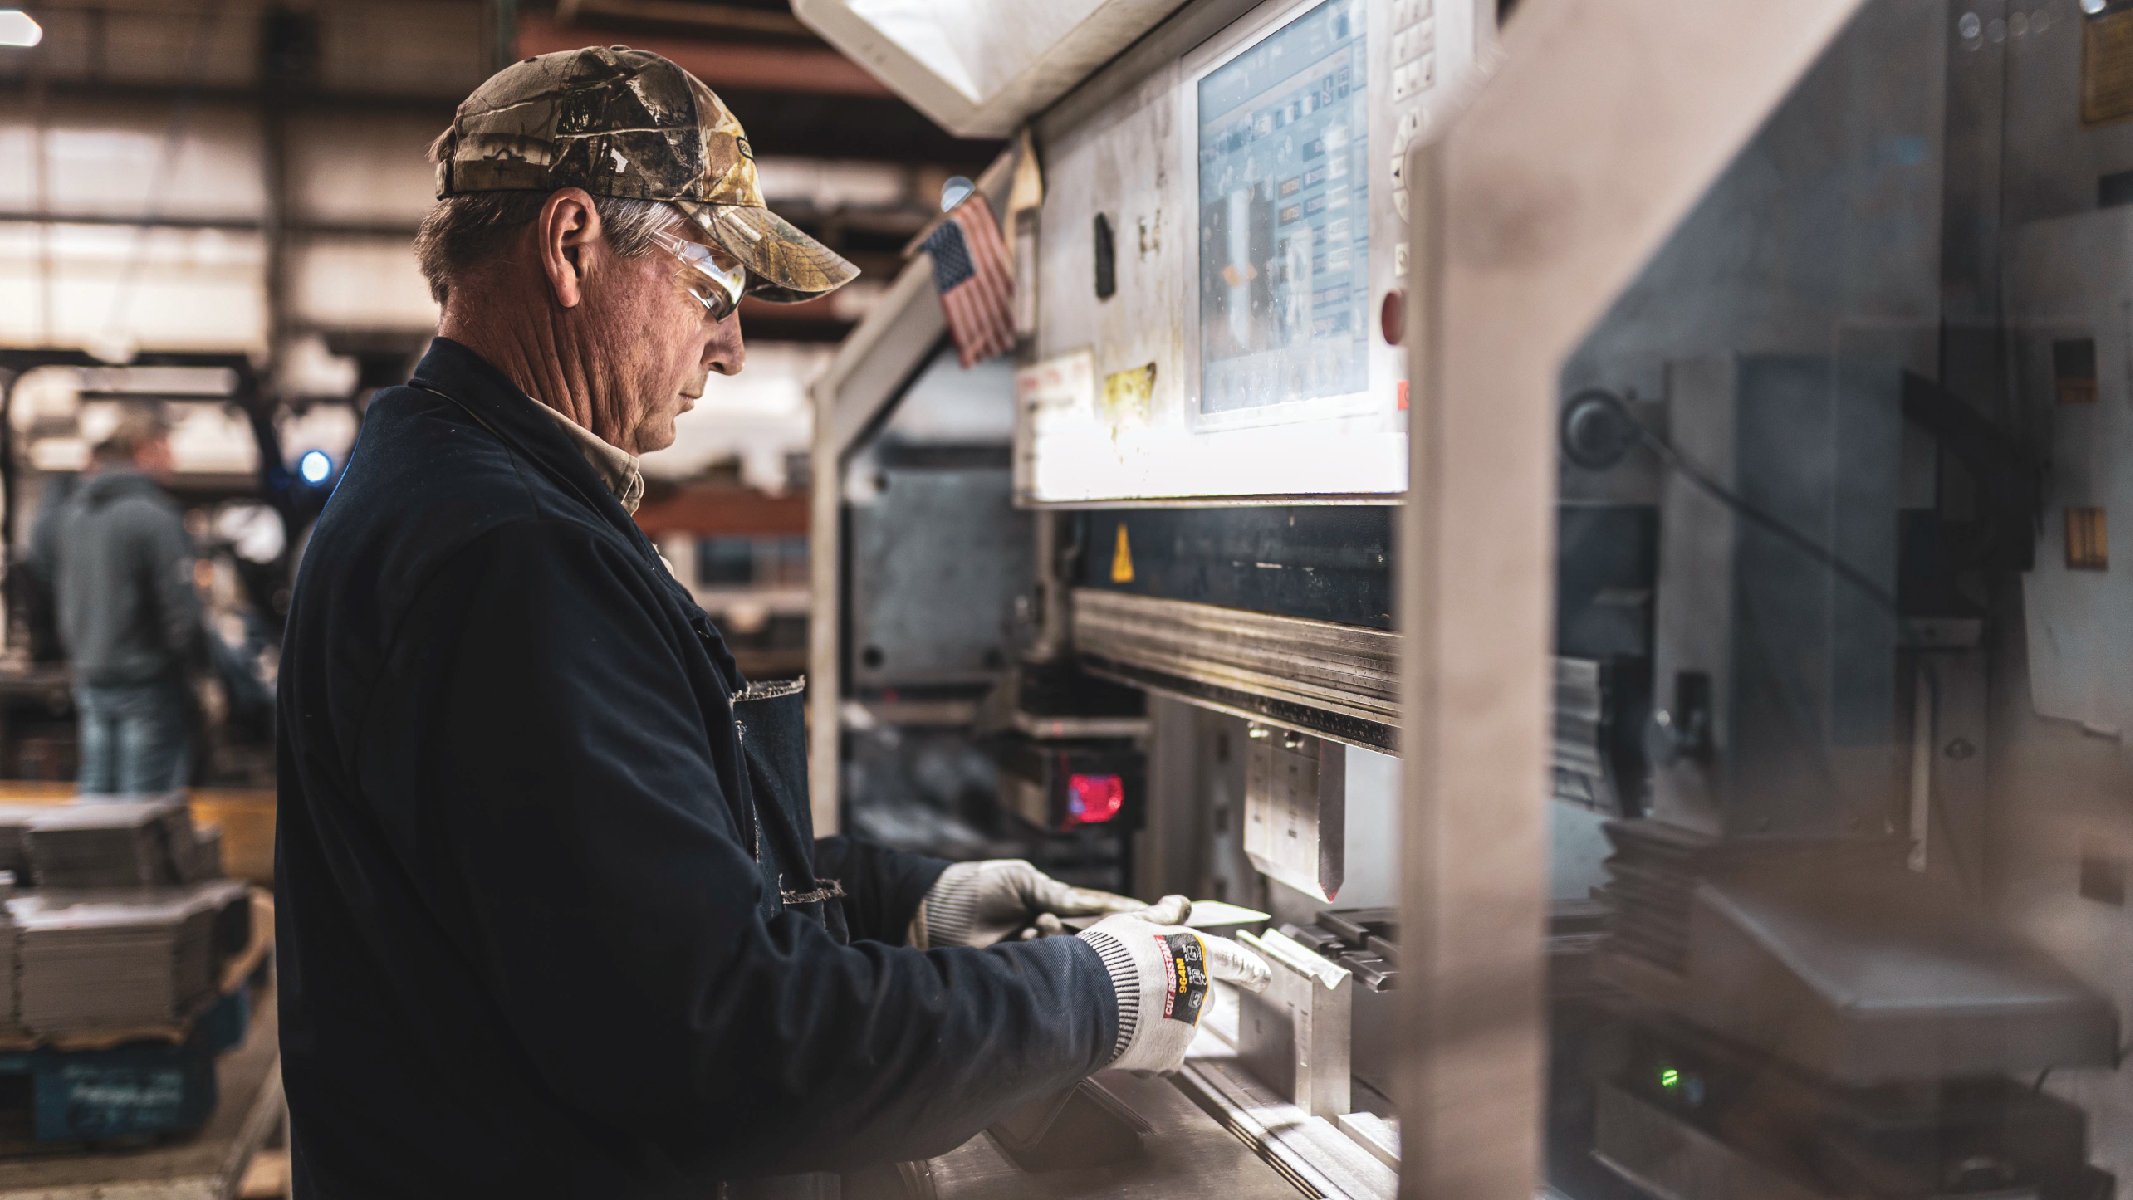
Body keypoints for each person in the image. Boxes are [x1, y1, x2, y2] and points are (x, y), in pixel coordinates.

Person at [274, 46, 1268, 1199]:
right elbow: (733, 1048)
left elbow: (622, 892)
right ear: (570, 245)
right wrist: (1099, 996)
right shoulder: (507, 559)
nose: (736, 344)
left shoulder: (469, 495)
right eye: (713, 288)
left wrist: (903, 904)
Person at [49, 404, 203, 796]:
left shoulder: (75, 514)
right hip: (147, 681)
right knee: (144, 808)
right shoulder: (154, 517)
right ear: (144, 449)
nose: (173, 458)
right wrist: (196, 669)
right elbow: (181, 612)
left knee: (97, 799)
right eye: (166, 446)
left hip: (91, 674)